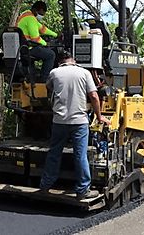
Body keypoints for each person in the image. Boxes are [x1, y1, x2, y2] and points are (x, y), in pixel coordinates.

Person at [39, 52, 110, 200]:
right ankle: (82, 190)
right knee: (80, 155)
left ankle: (45, 186)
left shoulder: (54, 72)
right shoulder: (84, 73)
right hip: (79, 122)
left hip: (59, 121)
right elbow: (95, 96)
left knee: (54, 153)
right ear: (74, 61)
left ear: (60, 62)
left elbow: (48, 88)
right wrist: (99, 116)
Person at [16, 1, 58, 82]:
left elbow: (42, 29)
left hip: (22, 48)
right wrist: (47, 44)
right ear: (35, 10)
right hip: (28, 48)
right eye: (41, 14)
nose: (41, 16)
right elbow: (35, 39)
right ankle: (44, 80)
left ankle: (34, 80)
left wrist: (56, 34)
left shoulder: (25, 15)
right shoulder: (31, 19)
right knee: (51, 55)